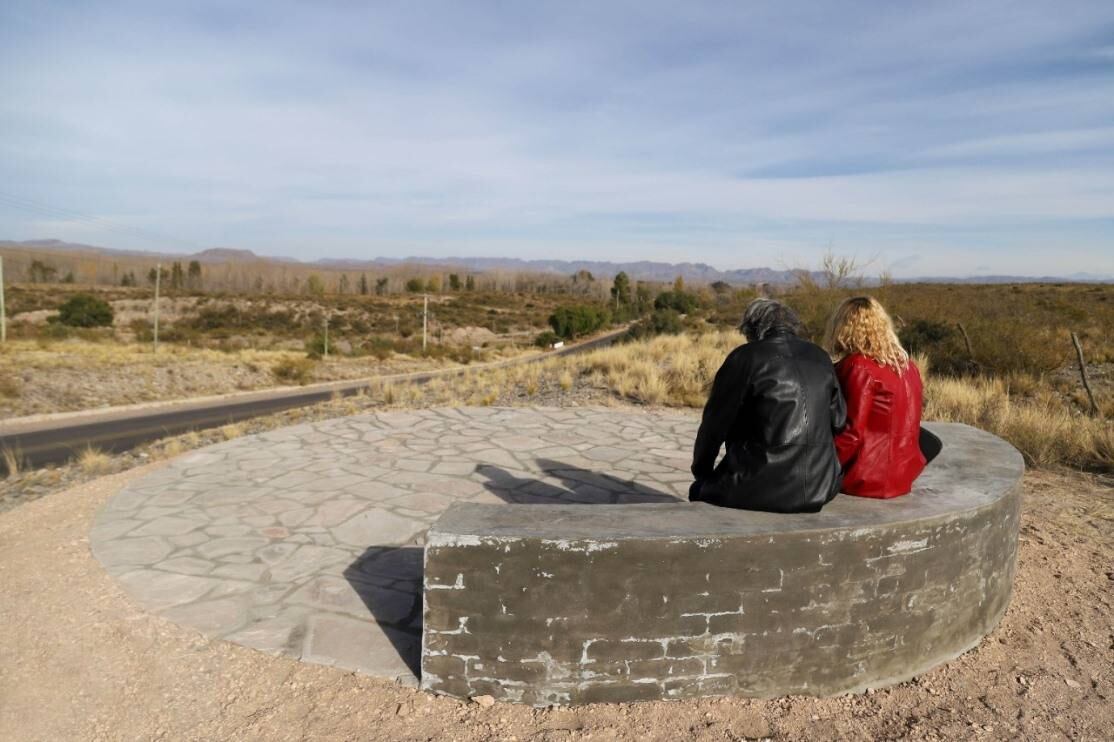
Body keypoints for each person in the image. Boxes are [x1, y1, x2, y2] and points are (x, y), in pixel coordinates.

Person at [689, 299, 847, 513]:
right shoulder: (820, 356)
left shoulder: (745, 357)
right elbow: (838, 420)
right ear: (793, 325)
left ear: (751, 329)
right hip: (821, 486)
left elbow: (714, 426)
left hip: (757, 485)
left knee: (698, 491)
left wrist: (702, 471)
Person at [825, 296, 926, 499]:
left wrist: (818, 467)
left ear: (843, 327)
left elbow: (851, 434)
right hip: (904, 474)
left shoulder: (858, 367)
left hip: (867, 478)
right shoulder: (907, 365)